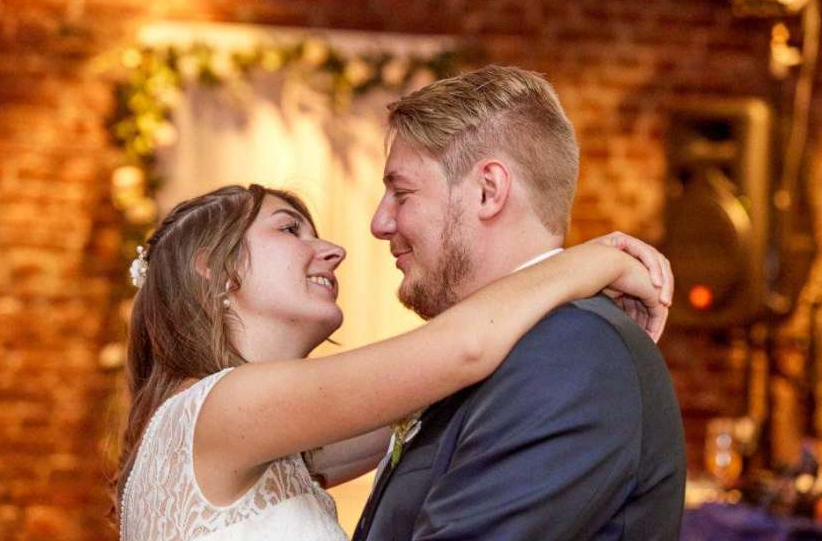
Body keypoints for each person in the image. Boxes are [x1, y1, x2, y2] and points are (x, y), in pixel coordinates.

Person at [115, 182, 671, 540]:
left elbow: (434, 398)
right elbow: (462, 349)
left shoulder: (256, 438)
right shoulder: (226, 408)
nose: (334, 251)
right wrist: (597, 260)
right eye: (289, 229)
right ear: (213, 268)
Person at [353, 65, 686, 541]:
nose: (380, 222)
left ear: (488, 191)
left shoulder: (569, 355)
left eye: (401, 193)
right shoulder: (497, 345)